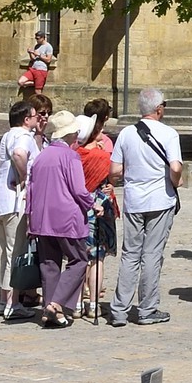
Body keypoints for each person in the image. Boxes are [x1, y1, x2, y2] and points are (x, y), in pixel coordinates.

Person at [108, 88, 183, 327]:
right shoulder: (169, 134)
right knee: (151, 254)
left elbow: (115, 171)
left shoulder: (126, 134)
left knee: (130, 254)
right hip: (160, 200)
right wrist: (174, 182)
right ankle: (147, 309)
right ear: (159, 108)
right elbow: (176, 167)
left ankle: (119, 309)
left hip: (134, 199)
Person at [25, 112, 92, 328]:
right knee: (79, 260)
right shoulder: (70, 156)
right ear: (71, 133)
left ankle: (51, 310)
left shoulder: (41, 156)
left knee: (49, 264)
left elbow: (30, 190)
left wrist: (30, 219)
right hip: (66, 218)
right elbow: (78, 189)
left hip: (42, 219)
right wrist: (93, 204)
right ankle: (56, 303)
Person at [0, 100, 39, 321]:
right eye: (35, 116)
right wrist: (25, 177)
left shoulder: (7, 135)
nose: (38, 119)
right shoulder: (23, 136)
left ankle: (3, 299)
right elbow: (20, 154)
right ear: (26, 119)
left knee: (7, 252)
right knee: (15, 252)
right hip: (13, 201)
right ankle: (12, 303)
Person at [76, 100, 117, 320]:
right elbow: (114, 176)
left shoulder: (75, 154)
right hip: (99, 206)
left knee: (79, 257)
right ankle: (93, 304)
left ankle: (75, 303)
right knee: (98, 258)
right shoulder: (102, 157)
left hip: (78, 207)